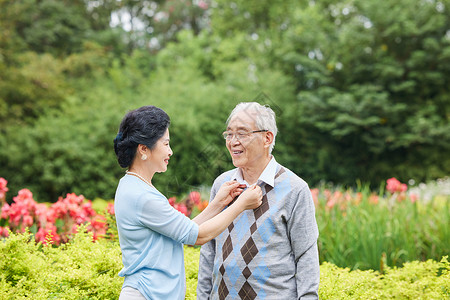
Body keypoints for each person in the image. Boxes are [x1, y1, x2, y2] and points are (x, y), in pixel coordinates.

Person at [113, 105, 263, 300]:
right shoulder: (142, 196)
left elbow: (183, 231)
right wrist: (240, 205)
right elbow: (198, 236)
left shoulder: (134, 186)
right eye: (166, 144)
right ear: (143, 149)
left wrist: (218, 203)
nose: (171, 151)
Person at [197, 102, 320, 299]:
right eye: (229, 134)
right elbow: (208, 252)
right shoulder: (222, 185)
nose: (233, 141)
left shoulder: (295, 189)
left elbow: (306, 256)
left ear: (267, 138)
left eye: (242, 133)